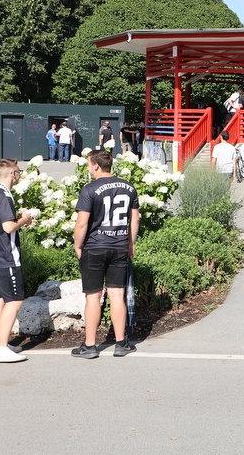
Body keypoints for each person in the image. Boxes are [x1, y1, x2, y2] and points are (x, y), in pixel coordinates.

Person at [72, 150, 140, 359]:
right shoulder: (129, 187)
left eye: (88, 165)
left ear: (96, 166)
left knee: (93, 296)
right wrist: (130, 243)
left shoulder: (90, 189)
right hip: (119, 245)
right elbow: (134, 220)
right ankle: (121, 343)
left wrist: (77, 244)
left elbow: (82, 222)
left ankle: (90, 346)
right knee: (117, 294)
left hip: (94, 246)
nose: (87, 169)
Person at [0, 159, 34, 363]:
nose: (19, 175)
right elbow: (8, 227)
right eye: (19, 172)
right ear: (13, 174)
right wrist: (25, 219)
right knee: (14, 299)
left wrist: (17, 221)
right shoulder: (3, 195)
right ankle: (1, 348)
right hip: (5, 255)